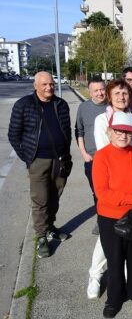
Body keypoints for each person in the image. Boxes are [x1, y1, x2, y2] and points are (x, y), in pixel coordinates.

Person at [92, 111, 132, 318]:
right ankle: (114, 299)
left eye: (128, 132)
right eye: (118, 131)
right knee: (115, 260)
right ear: (109, 132)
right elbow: (102, 193)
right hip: (110, 217)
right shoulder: (101, 156)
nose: (123, 135)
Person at [87, 79, 132, 300]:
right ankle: (95, 275)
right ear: (109, 96)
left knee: (129, 237)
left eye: (125, 93)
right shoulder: (102, 120)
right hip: (112, 187)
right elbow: (107, 152)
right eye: (117, 93)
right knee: (107, 239)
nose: (121, 97)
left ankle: (127, 279)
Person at [8, 71, 71, 259]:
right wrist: (29, 157)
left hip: (60, 160)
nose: (49, 87)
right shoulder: (24, 105)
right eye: (44, 84)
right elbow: (13, 135)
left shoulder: (61, 104)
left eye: (51, 84)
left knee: (54, 197)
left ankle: (50, 227)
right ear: (35, 86)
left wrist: (65, 153)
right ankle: (41, 236)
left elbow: (66, 130)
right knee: (40, 200)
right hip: (38, 161)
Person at [75, 77, 107, 230]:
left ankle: (110, 219)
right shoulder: (83, 108)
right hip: (92, 159)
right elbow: (79, 131)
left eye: (102, 89)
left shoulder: (111, 106)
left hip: (109, 159)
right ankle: (101, 219)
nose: (100, 93)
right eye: (96, 90)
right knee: (97, 192)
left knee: (111, 191)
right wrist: (83, 153)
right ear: (90, 92)